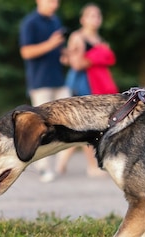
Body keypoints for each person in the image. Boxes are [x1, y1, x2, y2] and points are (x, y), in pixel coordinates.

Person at [56, 3, 116, 177]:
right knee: (88, 125)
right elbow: (76, 63)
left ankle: (62, 162)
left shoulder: (101, 41)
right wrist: (96, 57)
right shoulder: (78, 37)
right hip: (82, 84)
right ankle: (92, 166)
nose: (95, 19)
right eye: (91, 15)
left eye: (97, 15)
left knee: (79, 127)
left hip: (98, 84)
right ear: (83, 19)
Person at [19, 0, 71, 183]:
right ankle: (43, 168)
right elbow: (26, 52)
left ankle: (59, 165)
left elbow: (56, 50)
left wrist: (64, 54)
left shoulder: (56, 21)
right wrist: (50, 44)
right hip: (40, 82)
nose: (54, 4)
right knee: (41, 126)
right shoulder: (30, 22)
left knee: (68, 121)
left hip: (59, 80)